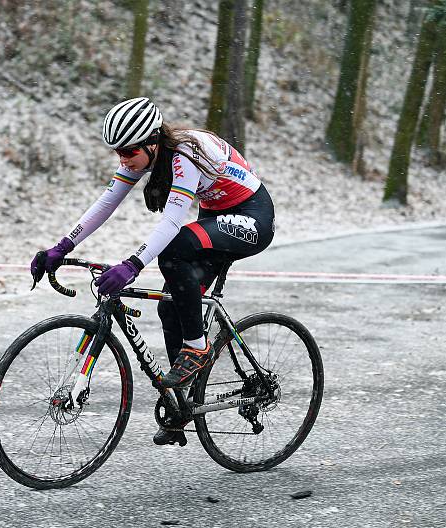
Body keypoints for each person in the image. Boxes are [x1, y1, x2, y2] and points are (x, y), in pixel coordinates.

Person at [30, 97, 275, 446]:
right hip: (216, 216)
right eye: (117, 153)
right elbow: (105, 203)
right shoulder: (144, 153)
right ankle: (182, 406)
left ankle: (197, 346)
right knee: (169, 304)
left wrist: (132, 265)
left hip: (252, 216)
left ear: (151, 141)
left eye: (128, 152)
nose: (124, 160)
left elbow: (173, 221)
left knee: (174, 252)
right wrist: (61, 247)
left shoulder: (185, 156)